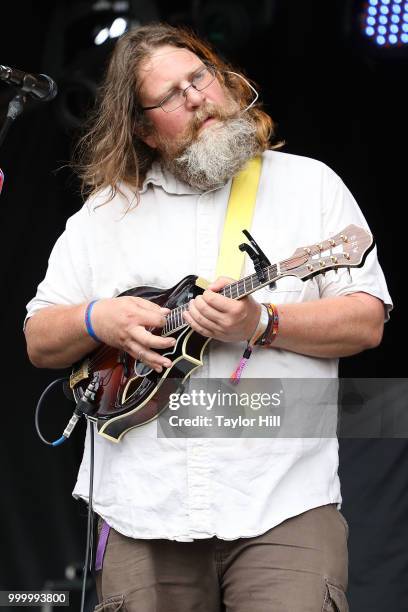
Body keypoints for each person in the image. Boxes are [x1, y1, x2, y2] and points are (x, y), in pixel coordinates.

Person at [24, 23, 392, 612]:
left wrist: (262, 324)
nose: (196, 98)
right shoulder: (105, 213)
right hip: (143, 508)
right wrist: (101, 320)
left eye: (200, 78)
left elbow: (367, 321)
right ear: (141, 127)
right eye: (170, 95)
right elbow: (39, 340)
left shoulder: (309, 186)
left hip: (283, 503)